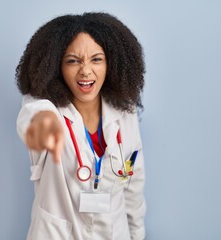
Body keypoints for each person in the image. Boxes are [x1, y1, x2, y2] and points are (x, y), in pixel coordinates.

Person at [16, 12, 146, 240]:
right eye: (73, 61)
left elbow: (133, 187)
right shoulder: (47, 110)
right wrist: (42, 124)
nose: (85, 71)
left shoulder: (125, 114)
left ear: (111, 63)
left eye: (96, 59)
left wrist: (137, 235)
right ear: (55, 67)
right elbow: (32, 114)